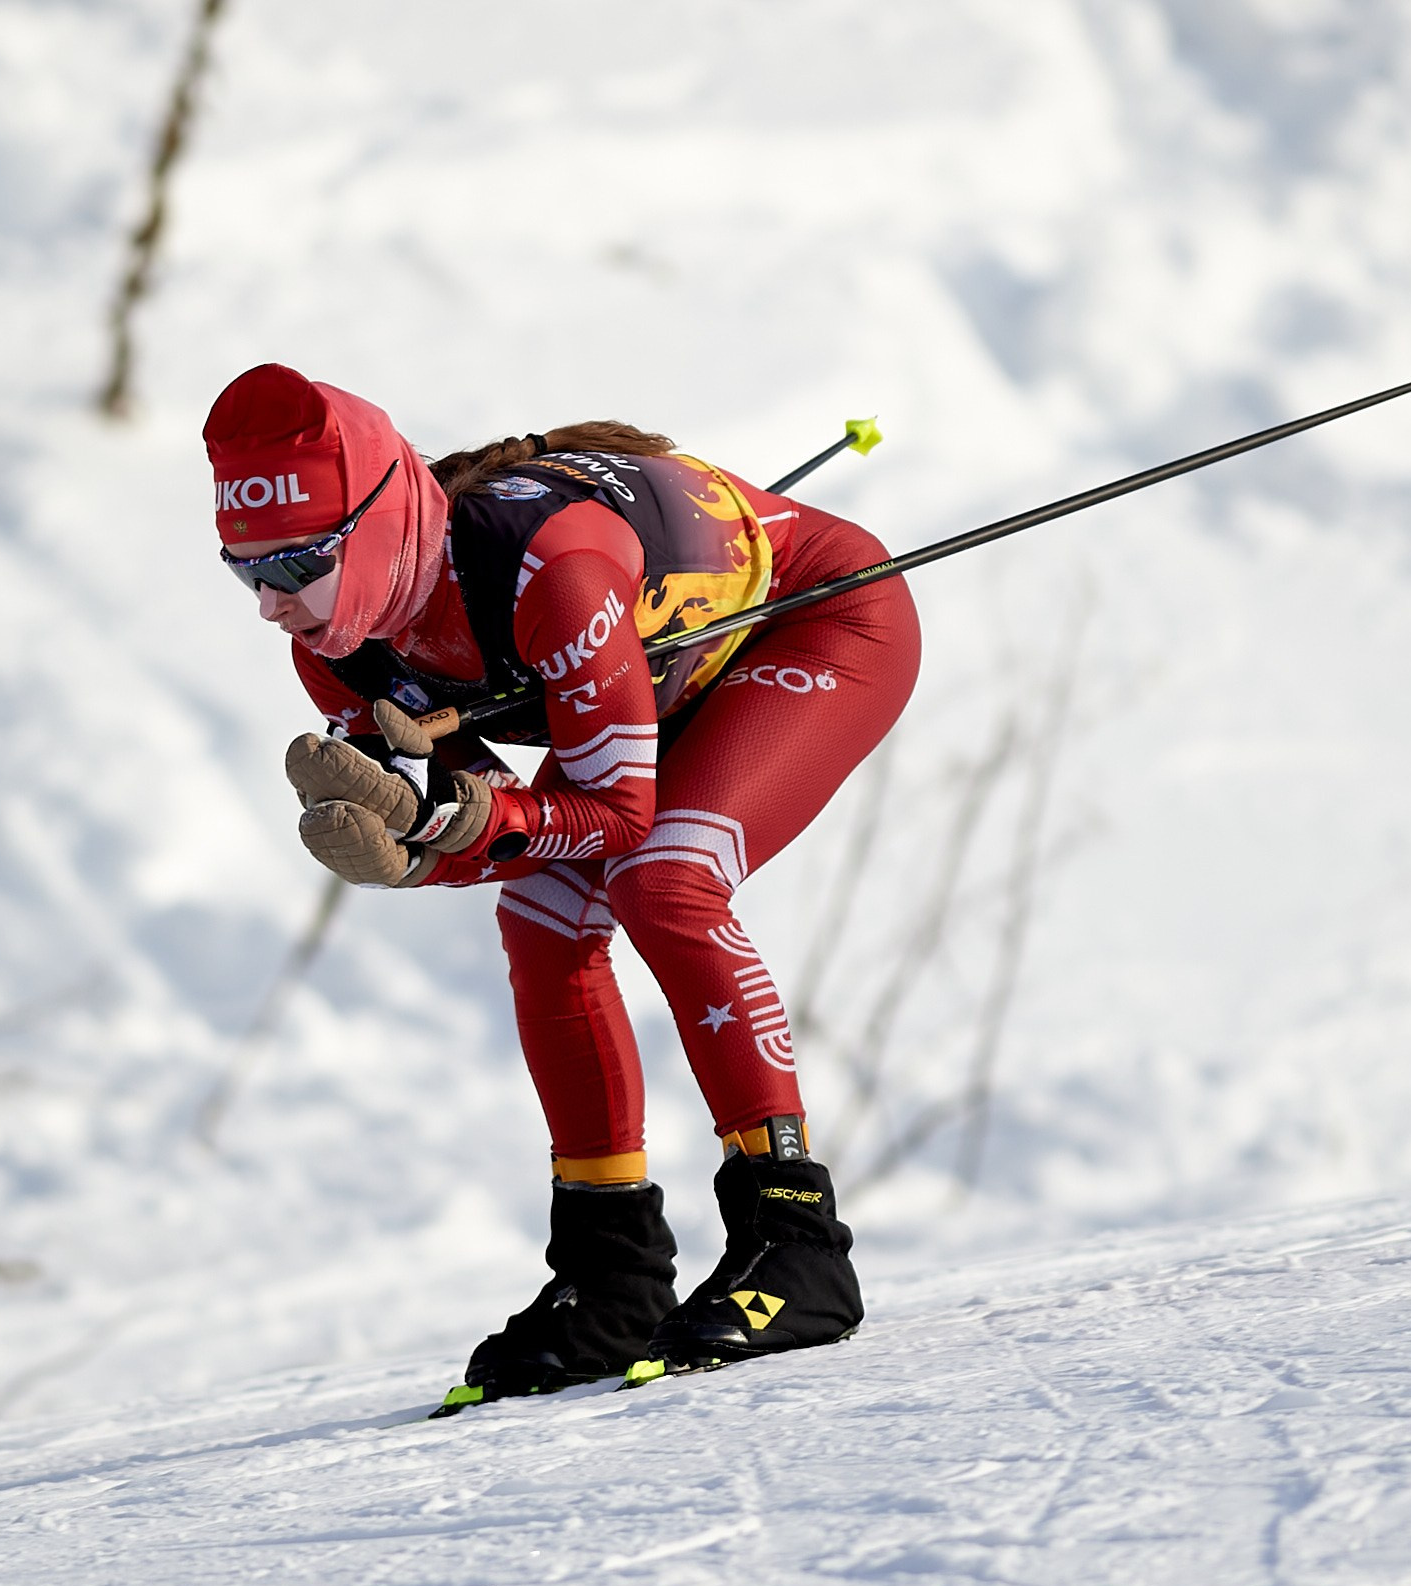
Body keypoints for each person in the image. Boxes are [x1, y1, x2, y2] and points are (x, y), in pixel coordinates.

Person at [203, 362, 920, 1398]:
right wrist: (418, 844)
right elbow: (504, 830)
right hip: (666, 677)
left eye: (298, 564)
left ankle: (795, 1238)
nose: (273, 605)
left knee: (663, 880)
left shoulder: (550, 569)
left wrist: (454, 822)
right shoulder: (336, 642)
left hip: (814, 621)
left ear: (375, 524)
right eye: (244, 572)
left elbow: (613, 818)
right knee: (542, 915)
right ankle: (610, 1273)